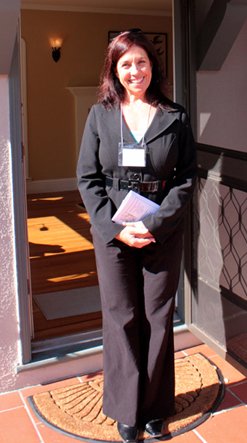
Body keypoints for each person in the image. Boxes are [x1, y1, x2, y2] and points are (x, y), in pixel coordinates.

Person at [77, 29, 197, 443]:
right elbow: (87, 178)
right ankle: (127, 410)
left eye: (141, 62)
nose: (135, 71)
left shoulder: (175, 116)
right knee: (122, 317)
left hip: (161, 232)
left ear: (153, 66)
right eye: (125, 64)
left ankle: (155, 409)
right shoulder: (100, 116)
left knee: (158, 318)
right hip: (113, 234)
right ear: (114, 70)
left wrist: (153, 224)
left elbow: (185, 179)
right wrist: (115, 227)